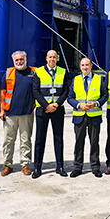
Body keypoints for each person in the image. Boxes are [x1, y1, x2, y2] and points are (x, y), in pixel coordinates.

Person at [32, 50, 71, 178]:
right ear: (46, 58)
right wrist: (46, 105)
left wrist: (56, 104)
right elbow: (35, 91)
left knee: (59, 139)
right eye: (50, 57)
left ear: (57, 58)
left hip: (57, 110)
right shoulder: (38, 72)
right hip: (42, 110)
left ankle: (60, 166)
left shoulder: (63, 71)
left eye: (54, 57)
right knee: (39, 140)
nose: (52, 59)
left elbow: (66, 90)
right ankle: (37, 167)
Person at [67, 57, 108, 178]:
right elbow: (70, 97)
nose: (85, 67)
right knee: (79, 142)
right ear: (80, 67)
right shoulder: (76, 80)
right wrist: (79, 105)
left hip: (94, 115)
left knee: (94, 142)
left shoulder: (99, 79)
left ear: (91, 66)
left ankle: (95, 167)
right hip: (79, 115)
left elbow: (105, 96)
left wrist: (96, 103)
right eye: (83, 65)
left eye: (87, 65)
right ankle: (77, 167)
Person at [0, 51, 35, 177]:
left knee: (25, 140)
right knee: (8, 141)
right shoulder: (9, 72)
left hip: (27, 113)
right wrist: (2, 110)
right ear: (14, 61)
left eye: (21, 59)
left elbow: (38, 90)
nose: (19, 61)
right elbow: (2, 92)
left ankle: (25, 164)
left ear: (26, 59)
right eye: (17, 60)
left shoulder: (33, 72)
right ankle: (7, 165)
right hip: (10, 113)